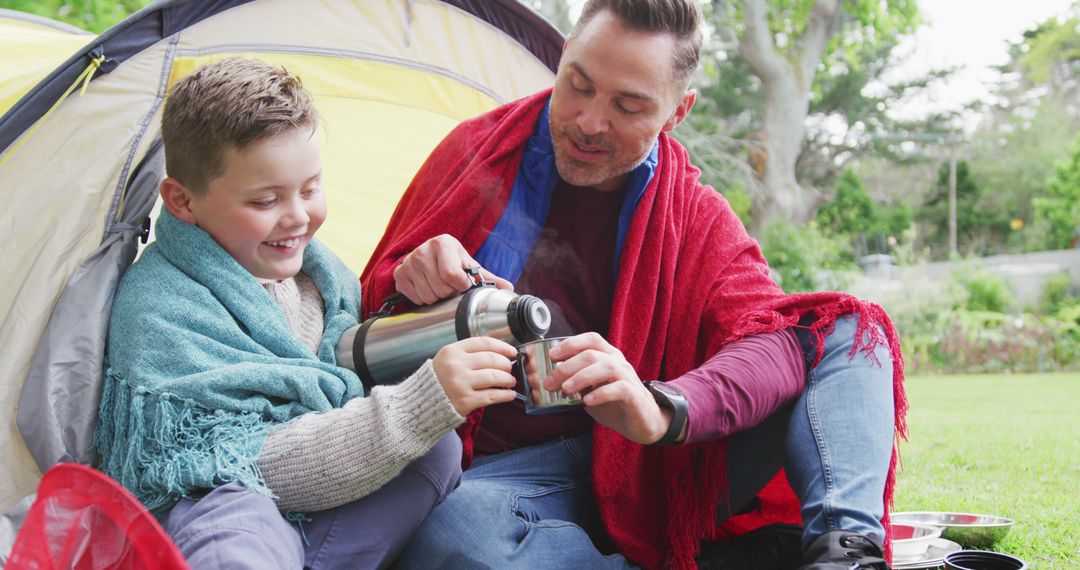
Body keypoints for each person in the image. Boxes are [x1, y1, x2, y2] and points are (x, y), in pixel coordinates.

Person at [360, 1, 907, 569]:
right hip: (505, 474)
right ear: (564, 56)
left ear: (678, 112)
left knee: (844, 328)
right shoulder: (475, 154)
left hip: (653, 465)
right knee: (457, 535)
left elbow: (778, 340)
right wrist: (408, 277)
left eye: (628, 106)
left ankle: (845, 557)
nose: (591, 122)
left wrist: (661, 407)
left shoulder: (693, 214)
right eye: (578, 86)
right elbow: (362, 325)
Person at [93, 57, 521, 569]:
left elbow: (344, 373)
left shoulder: (323, 278)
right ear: (182, 201)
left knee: (435, 451)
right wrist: (419, 403)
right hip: (228, 497)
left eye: (311, 188)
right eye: (266, 199)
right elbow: (254, 467)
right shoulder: (161, 310)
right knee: (233, 524)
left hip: (314, 512)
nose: (297, 216)